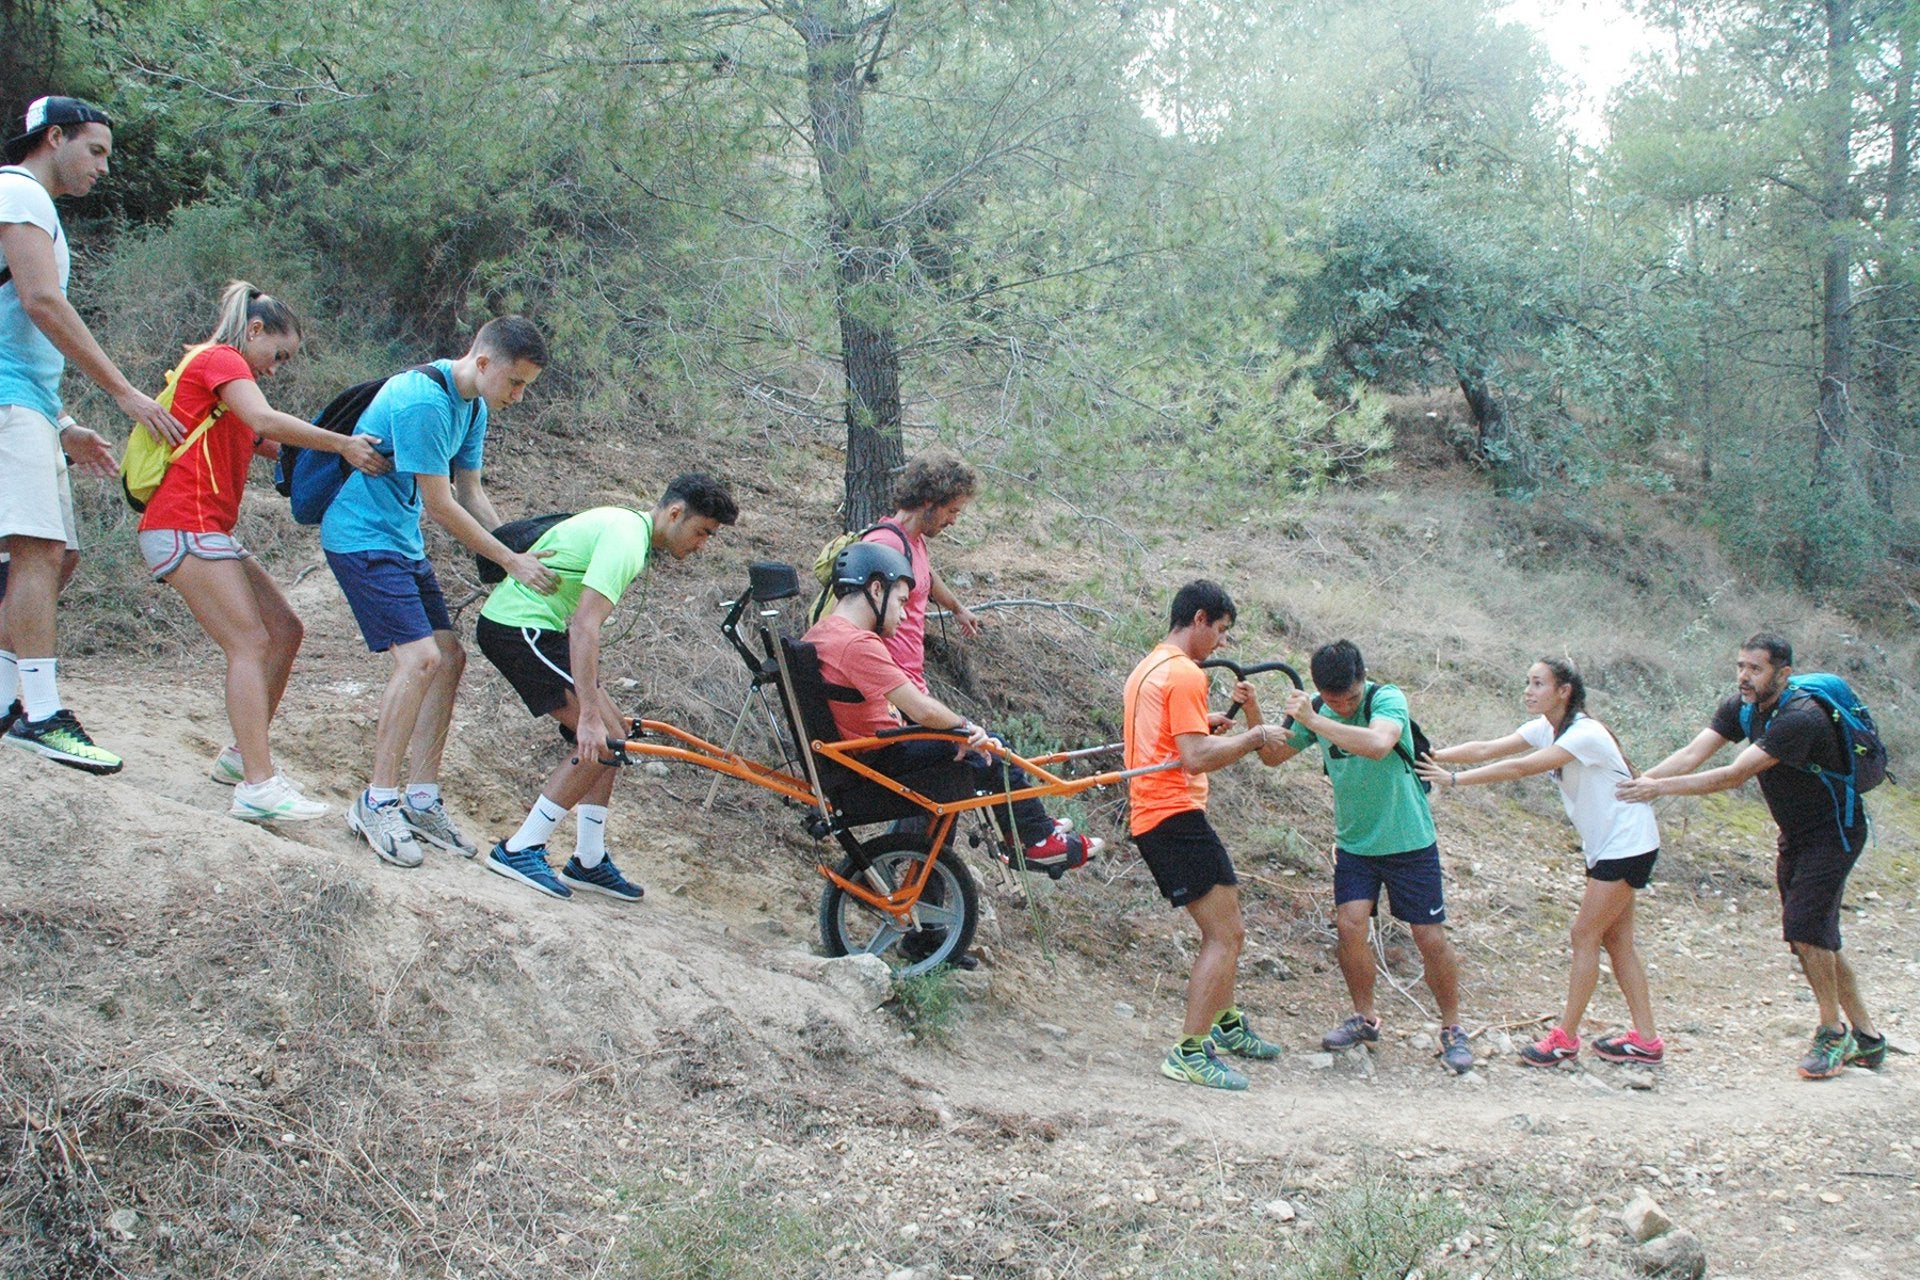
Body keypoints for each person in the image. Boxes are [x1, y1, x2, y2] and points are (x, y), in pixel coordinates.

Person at [138, 282, 389, 821]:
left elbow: (277, 447)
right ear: (254, 331)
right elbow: (266, 422)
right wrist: (341, 443)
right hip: (184, 524)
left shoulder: (228, 385)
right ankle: (257, 784)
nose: (277, 369)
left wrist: (342, 454)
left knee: (285, 630)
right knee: (249, 642)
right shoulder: (219, 360)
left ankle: (238, 759)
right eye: (278, 355)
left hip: (209, 531)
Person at [323, 315, 559, 870]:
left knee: (449, 657)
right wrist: (507, 560)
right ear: (483, 363)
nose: (519, 397)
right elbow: (440, 504)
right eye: (516, 382)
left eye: (527, 385)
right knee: (421, 658)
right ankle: (376, 801)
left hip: (399, 542)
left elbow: (469, 491)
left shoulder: (473, 405)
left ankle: (421, 799)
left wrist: (516, 549)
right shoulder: (424, 402)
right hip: (360, 537)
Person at [1, 95, 182, 773]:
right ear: (54, 138)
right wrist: (123, 392)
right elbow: (39, 302)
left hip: (31, 406)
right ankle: (42, 714)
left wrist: (66, 423)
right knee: (39, 551)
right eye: (96, 150)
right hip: (8, 403)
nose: (103, 168)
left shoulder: (28, 202)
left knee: (58, 557)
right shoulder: (17, 190)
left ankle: (7, 701)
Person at [1617, 633, 1887, 1079]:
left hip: (1835, 832)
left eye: (1755, 669)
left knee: (1806, 930)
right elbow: (1692, 754)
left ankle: (1831, 1032)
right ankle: (1870, 1039)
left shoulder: (1802, 717)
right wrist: (1635, 784)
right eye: (1741, 666)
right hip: (1797, 834)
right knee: (1815, 934)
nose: (1744, 676)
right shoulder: (1742, 706)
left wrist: (1655, 789)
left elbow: (1732, 775)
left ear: (1783, 673)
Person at [476, 475, 738, 900]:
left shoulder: (630, 529)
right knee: (604, 738)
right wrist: (590, 718)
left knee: (616, 735)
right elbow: (584, 626)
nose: (703, 544)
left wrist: (599, 715)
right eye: (702, 532)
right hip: (517, 627)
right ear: (675, 514)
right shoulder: (627, 540)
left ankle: (589, 859)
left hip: (539, 628)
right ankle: (520, 848)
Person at [1416, 658, 1665, 1066]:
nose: (1529, 691)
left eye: (1538, 684)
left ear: (1563, 690)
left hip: (1626, 844)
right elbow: (1488, 749)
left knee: (1584, 935)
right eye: (1527, 683)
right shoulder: (1548, 728)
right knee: (1617, 940)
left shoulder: (1585, 733)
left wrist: (1455, 780)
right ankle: (1647, 1040)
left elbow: (1520, 766)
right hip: (1613, 844)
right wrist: (1432, 754)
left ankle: (1565, 1038)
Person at [801, 541, 1098, 874]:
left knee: (975, 749)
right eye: (900, 602)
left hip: (861, 756)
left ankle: (1030, 831)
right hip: (879, 761)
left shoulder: (821, 632)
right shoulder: (857, 643)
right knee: (992, 749)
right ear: (874, 588)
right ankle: (1037, 839)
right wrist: (964, 728)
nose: (903, 614)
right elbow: (922, 709)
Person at [1253, 639, 1475, 1074]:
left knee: (1429, 937)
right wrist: (1255, 710)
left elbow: (1377, 743)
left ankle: (1452, 1027)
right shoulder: (1316, 708)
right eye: (1334, 700)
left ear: (1362, 681)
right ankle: (1365, 1018)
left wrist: (1317, 719)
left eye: (1350, 698)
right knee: (1350, 926)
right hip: (1356, 844)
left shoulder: (1385, 698)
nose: (1344, 705)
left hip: (1410, 841)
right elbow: (1272, 756)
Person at [1123, 579, 1287, 1091]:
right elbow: (1194, 758)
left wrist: (1211, 723)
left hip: (1159, 813)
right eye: (1220, 631)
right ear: (1198, 619)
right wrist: (1254, 736)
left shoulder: (1150, 666)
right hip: (1172, 815)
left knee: (1227, 927)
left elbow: (1172, 739)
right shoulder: (1185, 674)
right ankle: (1190, 1050)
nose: (1221, 644)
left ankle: (1226, 1024)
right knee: (1226, 935)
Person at [860, 449, 981, 694]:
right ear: (929, 501)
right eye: (951, 511)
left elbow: (927, 575)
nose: (953, 521)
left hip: (911, 682)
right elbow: (858, 621)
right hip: (892, 688)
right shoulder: (885, 545)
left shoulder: (913, 541)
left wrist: (957, 608)